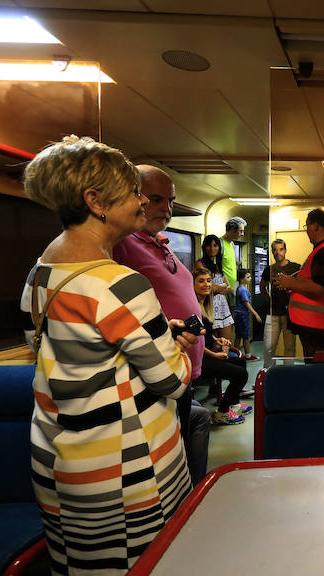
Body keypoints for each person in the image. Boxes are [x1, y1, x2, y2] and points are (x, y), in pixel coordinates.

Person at [20, 136, 198, 574]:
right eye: (132, 191)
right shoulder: (120, 283)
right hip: (127, 470)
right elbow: (173, 381)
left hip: (60, 461)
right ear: (95, 200)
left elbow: (67, 349)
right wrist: (173, 344)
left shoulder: (41, 272)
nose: (141, 200)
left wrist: (154, 334)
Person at [113, 164, 211, 484]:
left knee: (185, 437)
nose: (165, 209)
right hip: (155, 372)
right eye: (155, 199)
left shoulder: (161, 243)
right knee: (167, 458)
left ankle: (190, 500)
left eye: (170, 201)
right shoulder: (123, 242)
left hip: (181, 367)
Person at [273, 207, 324, 360]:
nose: (306, 230)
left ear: (315, 226)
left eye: (307, 226)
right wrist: (296, 288)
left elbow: (319, 289)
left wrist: (291, 282)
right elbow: (318, 284)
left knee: (319, 375)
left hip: (320, 327)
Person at [193, 266, 252, 425]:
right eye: (201, 281)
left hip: (207, 354)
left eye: (208, 281)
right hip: (199, 360)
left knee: (240, 362)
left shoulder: (206, 305)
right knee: (241, 374)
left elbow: (204, 334)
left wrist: (216, 340)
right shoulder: (192, 307)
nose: (206, 284)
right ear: (192, 284)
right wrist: (215, 355)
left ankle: (234, 403)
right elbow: (195, 342)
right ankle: (222, 412)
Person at [260, 238, 300, 367]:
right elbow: (262, 287)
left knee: (290, 346)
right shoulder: (269, 269)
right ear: (272, 252)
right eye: (275, 250)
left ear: (285, 250)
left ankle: (288, 375)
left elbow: (302, 287)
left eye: (281, 249)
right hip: (273, 313)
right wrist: (269, 300)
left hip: (290, 314)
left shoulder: (296, 267)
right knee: (268, 346)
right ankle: (268, 374)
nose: (278, 252)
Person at [196, 234, 235, 341]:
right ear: (204, 247)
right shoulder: (200, 263)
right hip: (209, 306)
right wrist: (221, 287)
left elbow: (229, 288)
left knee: (227, 344)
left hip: (223, 306)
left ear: (219, 247)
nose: (212, 249)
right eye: (209, 245)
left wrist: (219, 287)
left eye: (215, 245)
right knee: (213, 343)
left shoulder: (218, 264)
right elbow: (210, 288)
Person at [233, 268, 262, 360]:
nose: (250, 278)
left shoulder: (239, 289)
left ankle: (236, 355)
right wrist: (255, 314)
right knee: (246, 336)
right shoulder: (243, 290)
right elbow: (246, 303)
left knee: (238, 335)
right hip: (242, 315)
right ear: (242, 279)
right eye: (248, 277)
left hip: (237, 314)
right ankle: (248, 355)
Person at [220, 216, 246, 294]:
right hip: (222, 288)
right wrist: (226, 285)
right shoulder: (219, 244)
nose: (242, 234)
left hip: (231, 287)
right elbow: (215, 268)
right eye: (240, 231)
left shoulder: (231, 244)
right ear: (232, 230)